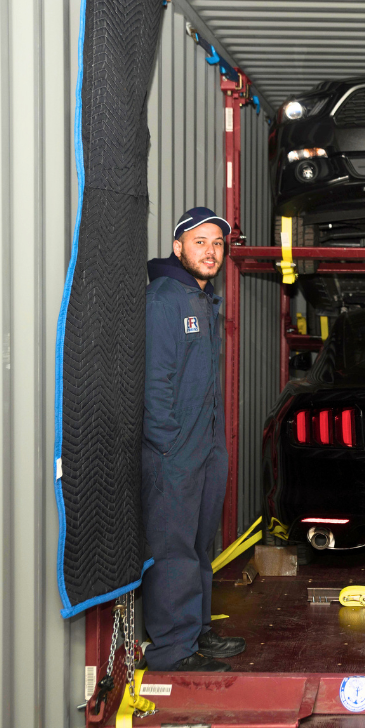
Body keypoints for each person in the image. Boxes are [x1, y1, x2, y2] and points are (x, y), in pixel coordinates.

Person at [141, 207, 246, 672]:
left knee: (200, 543)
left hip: (204, 447)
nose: (211, 251)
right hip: (174, 451)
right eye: (200, 242)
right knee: (174, 548)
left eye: (218, 244)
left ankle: (197, 631)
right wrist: (168, 444)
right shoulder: (165, 298)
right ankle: (172, 651)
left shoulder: (202, 301)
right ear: (178, 246)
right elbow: (154, 381)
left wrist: (208, 447)